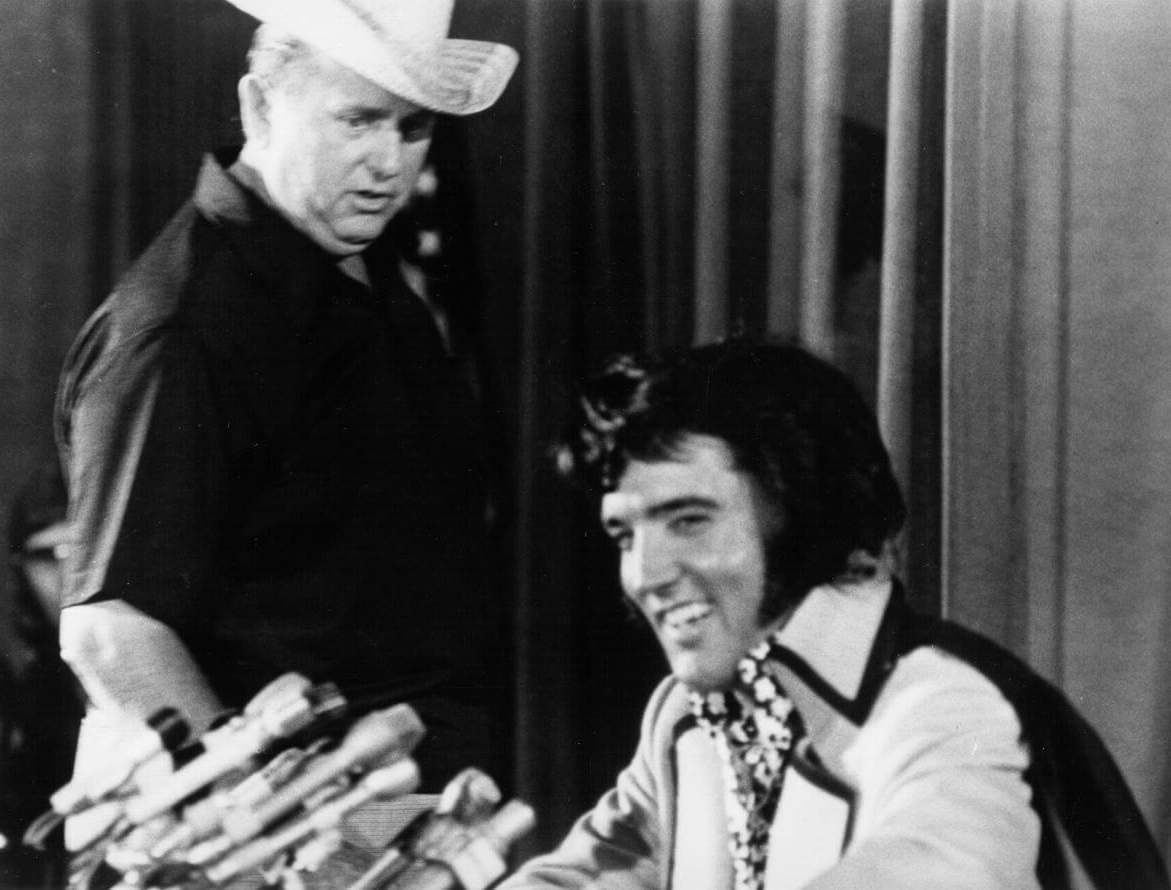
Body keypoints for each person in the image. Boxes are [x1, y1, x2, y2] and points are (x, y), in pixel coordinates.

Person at [54, 0, 518, 848]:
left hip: (408, 810)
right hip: (271, 841)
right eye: (358, 121)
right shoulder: (188, 325)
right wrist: (288, 840)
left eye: (414, 129)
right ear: (260, 105)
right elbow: (112, 632)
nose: (392, 165)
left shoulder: (364, 277)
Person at [501, 339, 1169, 890]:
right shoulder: (688, 718)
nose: (645, 576)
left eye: (689, 520)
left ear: (799, 509)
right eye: (625, 535)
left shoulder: (945, 706)